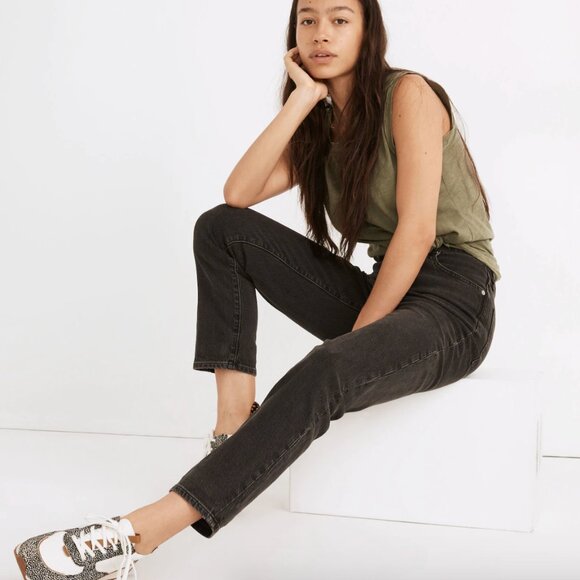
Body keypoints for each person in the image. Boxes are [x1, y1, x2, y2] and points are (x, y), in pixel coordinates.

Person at [13, 0, 500, 578]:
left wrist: (356, 349)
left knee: (328, 365)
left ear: (369, 31)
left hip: (454, 302)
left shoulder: (409, 94)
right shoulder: (322, 125)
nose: (320, 34)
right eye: (307, 20)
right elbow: (238, 194)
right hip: (389, 288)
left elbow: (416, 233)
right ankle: (232, 428)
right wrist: (301, 101)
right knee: (221, 229)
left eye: (340, 19)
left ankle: (137, 534)